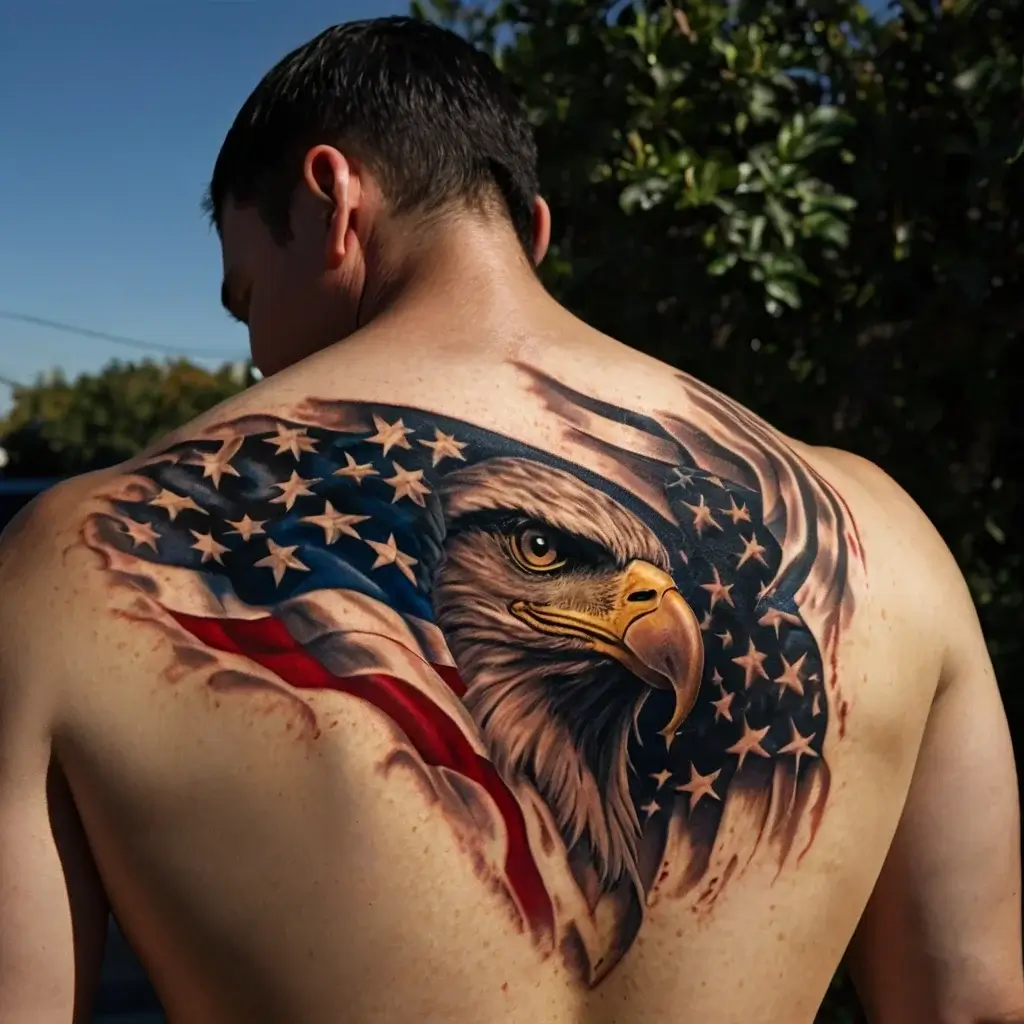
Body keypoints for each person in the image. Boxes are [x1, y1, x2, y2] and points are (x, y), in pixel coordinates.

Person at [0, 16, 1020, 1024]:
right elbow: (971, 1004)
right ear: (530, 231)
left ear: (331, 199)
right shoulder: (885, 538)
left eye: (245, 294)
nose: (258, 356)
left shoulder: (73, 564)